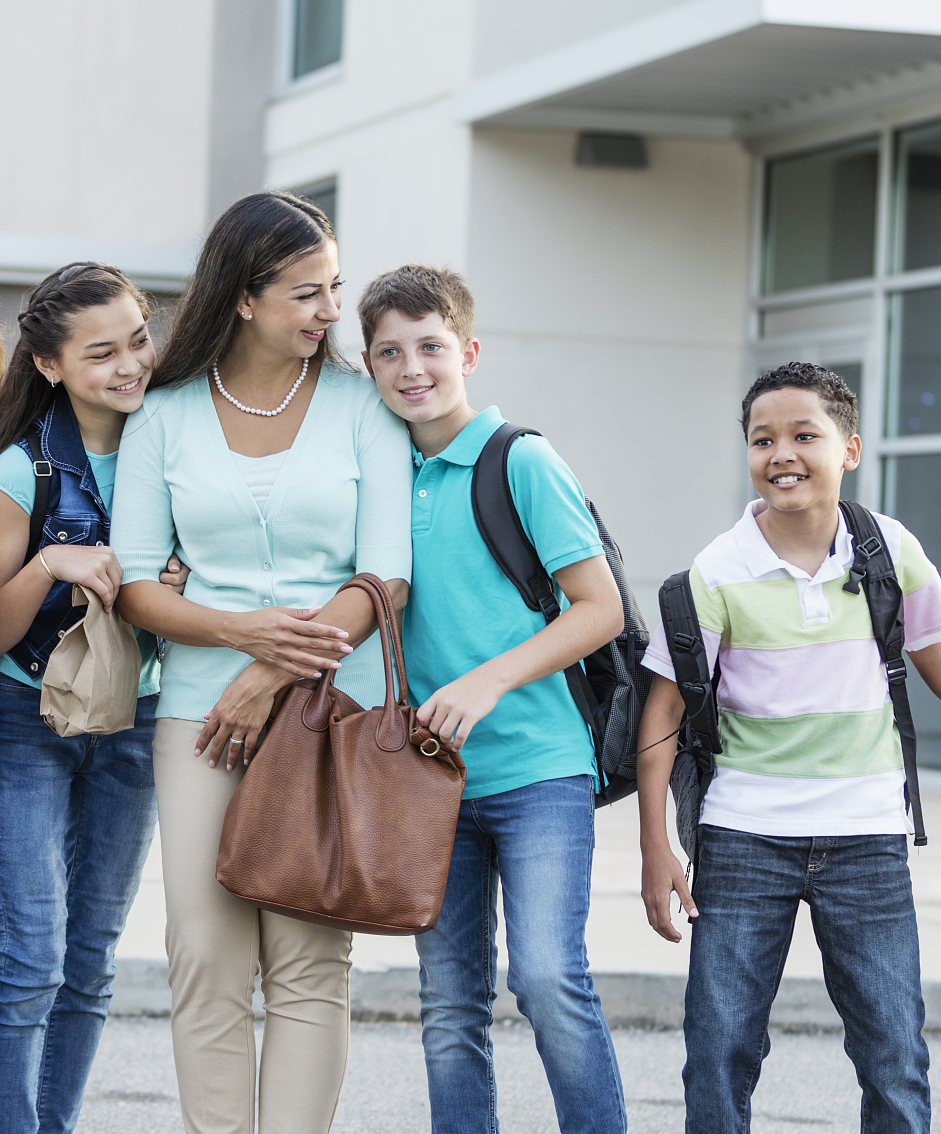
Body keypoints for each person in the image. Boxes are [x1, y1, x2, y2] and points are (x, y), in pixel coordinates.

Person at [635, 363, 941, 1134]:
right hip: (743, 838)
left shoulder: (888, 550)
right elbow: (663, 712)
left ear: (851, 449)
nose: (782, 453)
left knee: (893, 1053)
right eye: (763, 439)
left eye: (805, 435)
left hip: (868, 838)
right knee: (719, 1049)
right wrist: (656, 848)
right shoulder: (717, 572)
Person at [110, 191, 413, 1134]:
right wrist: (242, 637)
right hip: (200, 718)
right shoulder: (163, 416)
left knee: (310, 962)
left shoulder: (364, 406)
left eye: (335, 288)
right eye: (306, 293)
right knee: (205, 955)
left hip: (333, 713)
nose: (331, 311)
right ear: (243, 297)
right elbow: (134, 586)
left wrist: (271, 670)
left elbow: (385, 579)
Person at [357, 264, 628, 1134]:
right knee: (449, 1003)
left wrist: (488, 679)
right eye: (389, 352)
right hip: (430, 782)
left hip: (538, 768)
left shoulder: (521, 459)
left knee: (547, 978)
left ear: (468, 352)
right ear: (367, 366)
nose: (412, 368)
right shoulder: (379, 472)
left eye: (431, 347)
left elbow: (601, 609)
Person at [0, 262, 185, 1134]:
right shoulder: (22, 468)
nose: (130, 365)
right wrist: (48, 565)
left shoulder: (175, 446)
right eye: (101, 353)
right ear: (50, 365)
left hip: (139, 717)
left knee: (90, 962)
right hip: (29, 720)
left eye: (138, 341)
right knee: (33, 959)